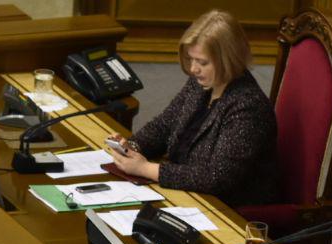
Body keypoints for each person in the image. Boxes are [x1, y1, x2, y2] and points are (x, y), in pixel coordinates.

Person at [106, 9, 277, 208]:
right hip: (186, 195)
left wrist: (145, 169)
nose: (193, 69)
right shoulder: (200, 84)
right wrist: (131, 147)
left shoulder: (249, 106)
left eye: (202, 62)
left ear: (229, 59)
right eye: (191, 59)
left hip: (227, 210)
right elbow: (164, 126)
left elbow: (216, 177)